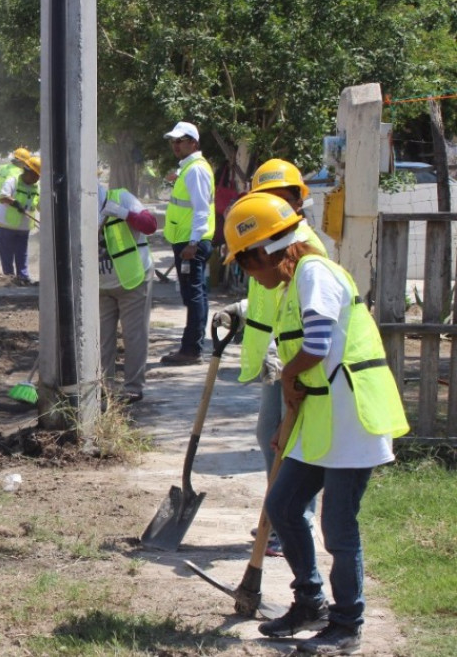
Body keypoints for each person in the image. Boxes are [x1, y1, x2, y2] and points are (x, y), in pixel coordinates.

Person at [221, 191, 408, 655]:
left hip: (353, 419)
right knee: (283, 505)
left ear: (264, 250)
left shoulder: (316, 275)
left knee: (339, 527)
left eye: (245, 264)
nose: (248, 275)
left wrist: (287, 374)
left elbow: (319, 345)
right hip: (323, 419)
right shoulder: (293, 281)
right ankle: (310, 602)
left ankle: (348, 623)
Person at [217, 159, 326, 556]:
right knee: (270, 436)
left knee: (289, 441)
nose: (274, 205)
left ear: (298, 199)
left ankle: (293, 520)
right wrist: (243, 309)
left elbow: (305, 304)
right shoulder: (266, 238)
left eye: (281, 197)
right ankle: (279, 517)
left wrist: (292, 365)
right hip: (274, 351)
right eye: (266, 197)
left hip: (295, 354)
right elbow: (271, 292)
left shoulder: (303, 245)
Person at [160, 121, 216, 365]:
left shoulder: (196, 170)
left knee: (194, 296)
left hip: (191, 243)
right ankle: (191, 347)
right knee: (194, 295)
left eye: (180, 141)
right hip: (186, 241)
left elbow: (202, 210)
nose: (175, 145)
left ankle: (191, 350)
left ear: (193, 142)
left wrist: (193, 243)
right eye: (173, 141)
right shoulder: (189, 168)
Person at [97, 184, 157, 404]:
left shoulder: (121, 197)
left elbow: (150, 225)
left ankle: (133, 387)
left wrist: (123, 213)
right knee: (102, 339)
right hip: (101, 285)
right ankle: (103, 386)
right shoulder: (75, 206)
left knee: (134, 336)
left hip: (133, 280)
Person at [0, 155, 41, 285]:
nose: (37, 178)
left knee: (22, 253)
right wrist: (16, 203)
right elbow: (3, 197)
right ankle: (9, 278)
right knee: (7, 254)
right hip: (5, 224)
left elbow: (41, 206)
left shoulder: (37, 187)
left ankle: (23, 277)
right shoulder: (13, 181)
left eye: (39, 176)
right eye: (35, 175)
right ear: (27, 171)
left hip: (23, 227)